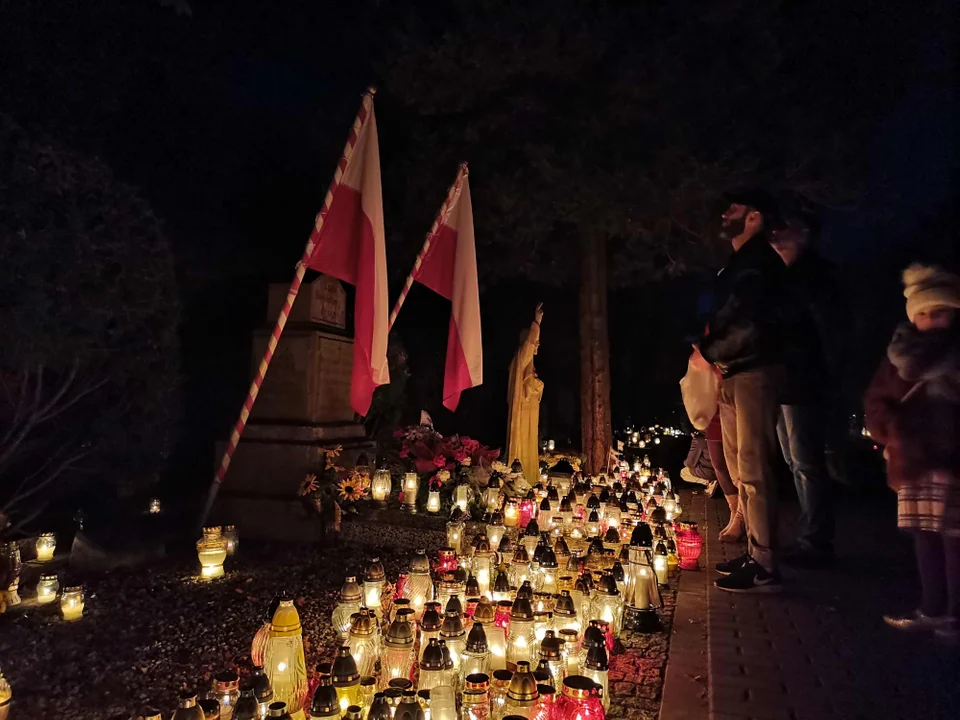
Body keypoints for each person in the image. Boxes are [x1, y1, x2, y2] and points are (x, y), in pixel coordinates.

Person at [691, 189, 789, 593]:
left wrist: (709, 351)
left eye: (733, 208)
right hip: (733, 371)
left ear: (754, 217)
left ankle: (766, 563)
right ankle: (754, 552)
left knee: (753, 468)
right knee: (737, 463)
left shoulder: (760, 264)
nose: (723, 213)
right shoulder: (741, 264)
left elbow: (752, 322)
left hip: (754, 370)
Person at [864, 264, 960, 640]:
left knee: (954, 536)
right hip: (913, 457)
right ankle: (931, 607)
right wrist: (892, 432)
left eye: (939, 312)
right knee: (924, 534)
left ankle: (954, 614)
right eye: (922, 313)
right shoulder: (898, 355)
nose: (930, 320)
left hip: (952, 460)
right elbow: (876, 400)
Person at [770, 208, 845, 567]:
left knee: (806, 462)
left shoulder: (815, 278)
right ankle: (809, 536)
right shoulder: (783, 277)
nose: (775, 237)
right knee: (794, 460)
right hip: (785, 382)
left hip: (804, 381)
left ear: (803, 234)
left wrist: (828, 378)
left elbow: (829, 333)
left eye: (784, 231)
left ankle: (816, 541)